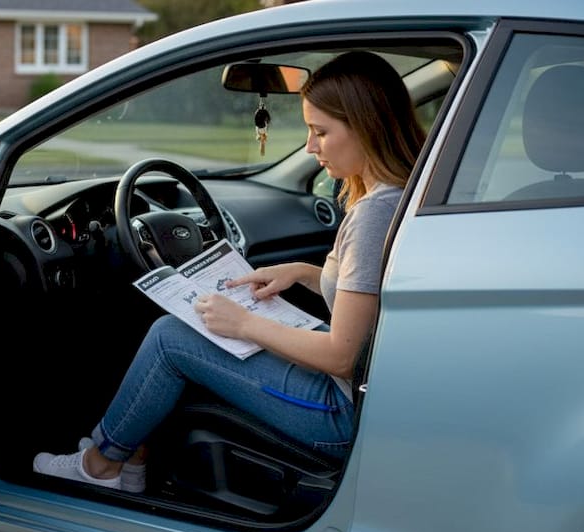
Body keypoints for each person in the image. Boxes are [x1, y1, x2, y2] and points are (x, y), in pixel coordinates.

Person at [32, 51, 427, 492]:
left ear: (366, 126)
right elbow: (370, 298)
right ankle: (132, 456)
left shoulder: (374, 213)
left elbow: (341, 356)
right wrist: (302, 272)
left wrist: (245, 324)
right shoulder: (401, 191)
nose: (311, 147)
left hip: (341, 411)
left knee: (169, 338)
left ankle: (102, 465)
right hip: (365, 391)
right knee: (205, 328)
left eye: (320, 132)